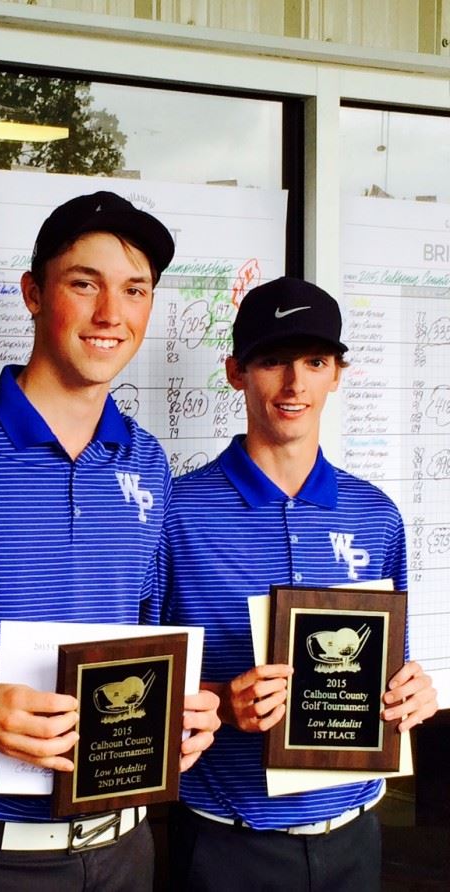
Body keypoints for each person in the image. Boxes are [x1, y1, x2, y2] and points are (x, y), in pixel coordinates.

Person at [0, 192, 221, 891]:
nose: (111, 314)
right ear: (34, 294)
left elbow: (146, 632)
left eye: (135, 290)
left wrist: (189, 708)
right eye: (84, 284)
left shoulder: (147, 463)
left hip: (125, 850)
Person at [153, 277, 437, 891]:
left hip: (356, 836)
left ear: (338, 374)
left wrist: (411, 691)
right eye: (273, 361)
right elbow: (144, 672)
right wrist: (219, 703)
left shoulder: (376, 514)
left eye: (314, 362)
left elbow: (388, 663)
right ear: (236, 372)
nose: (294, 384)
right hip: (224, 842)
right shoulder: (177, 512)